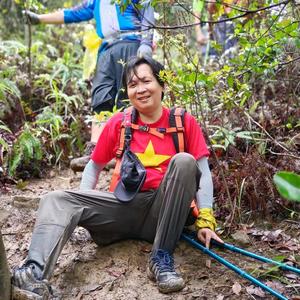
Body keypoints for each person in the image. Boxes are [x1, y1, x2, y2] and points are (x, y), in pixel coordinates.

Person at [12, 56, 223, 297]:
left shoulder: (183, 121)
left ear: (162, 85)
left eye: (146, 81)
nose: (140, 89)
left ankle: (161, 258)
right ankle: (33, 273)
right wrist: (84, 200)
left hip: (164, 215)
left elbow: (203, 171)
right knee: (55, 199)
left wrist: (205, 219)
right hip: (123, 209)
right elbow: (94, 166)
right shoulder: (119, 123)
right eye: (133, 85)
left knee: (184, 161)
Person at [23, 0, 155, 168]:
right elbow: (72, 14)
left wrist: (146, 42)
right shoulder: (96, 2)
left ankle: (130, 150)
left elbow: (147, 9)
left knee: (129, 96)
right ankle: (95, 151)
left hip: (132, 42)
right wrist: (39, 19)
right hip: (107, 48)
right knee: (101, 98)